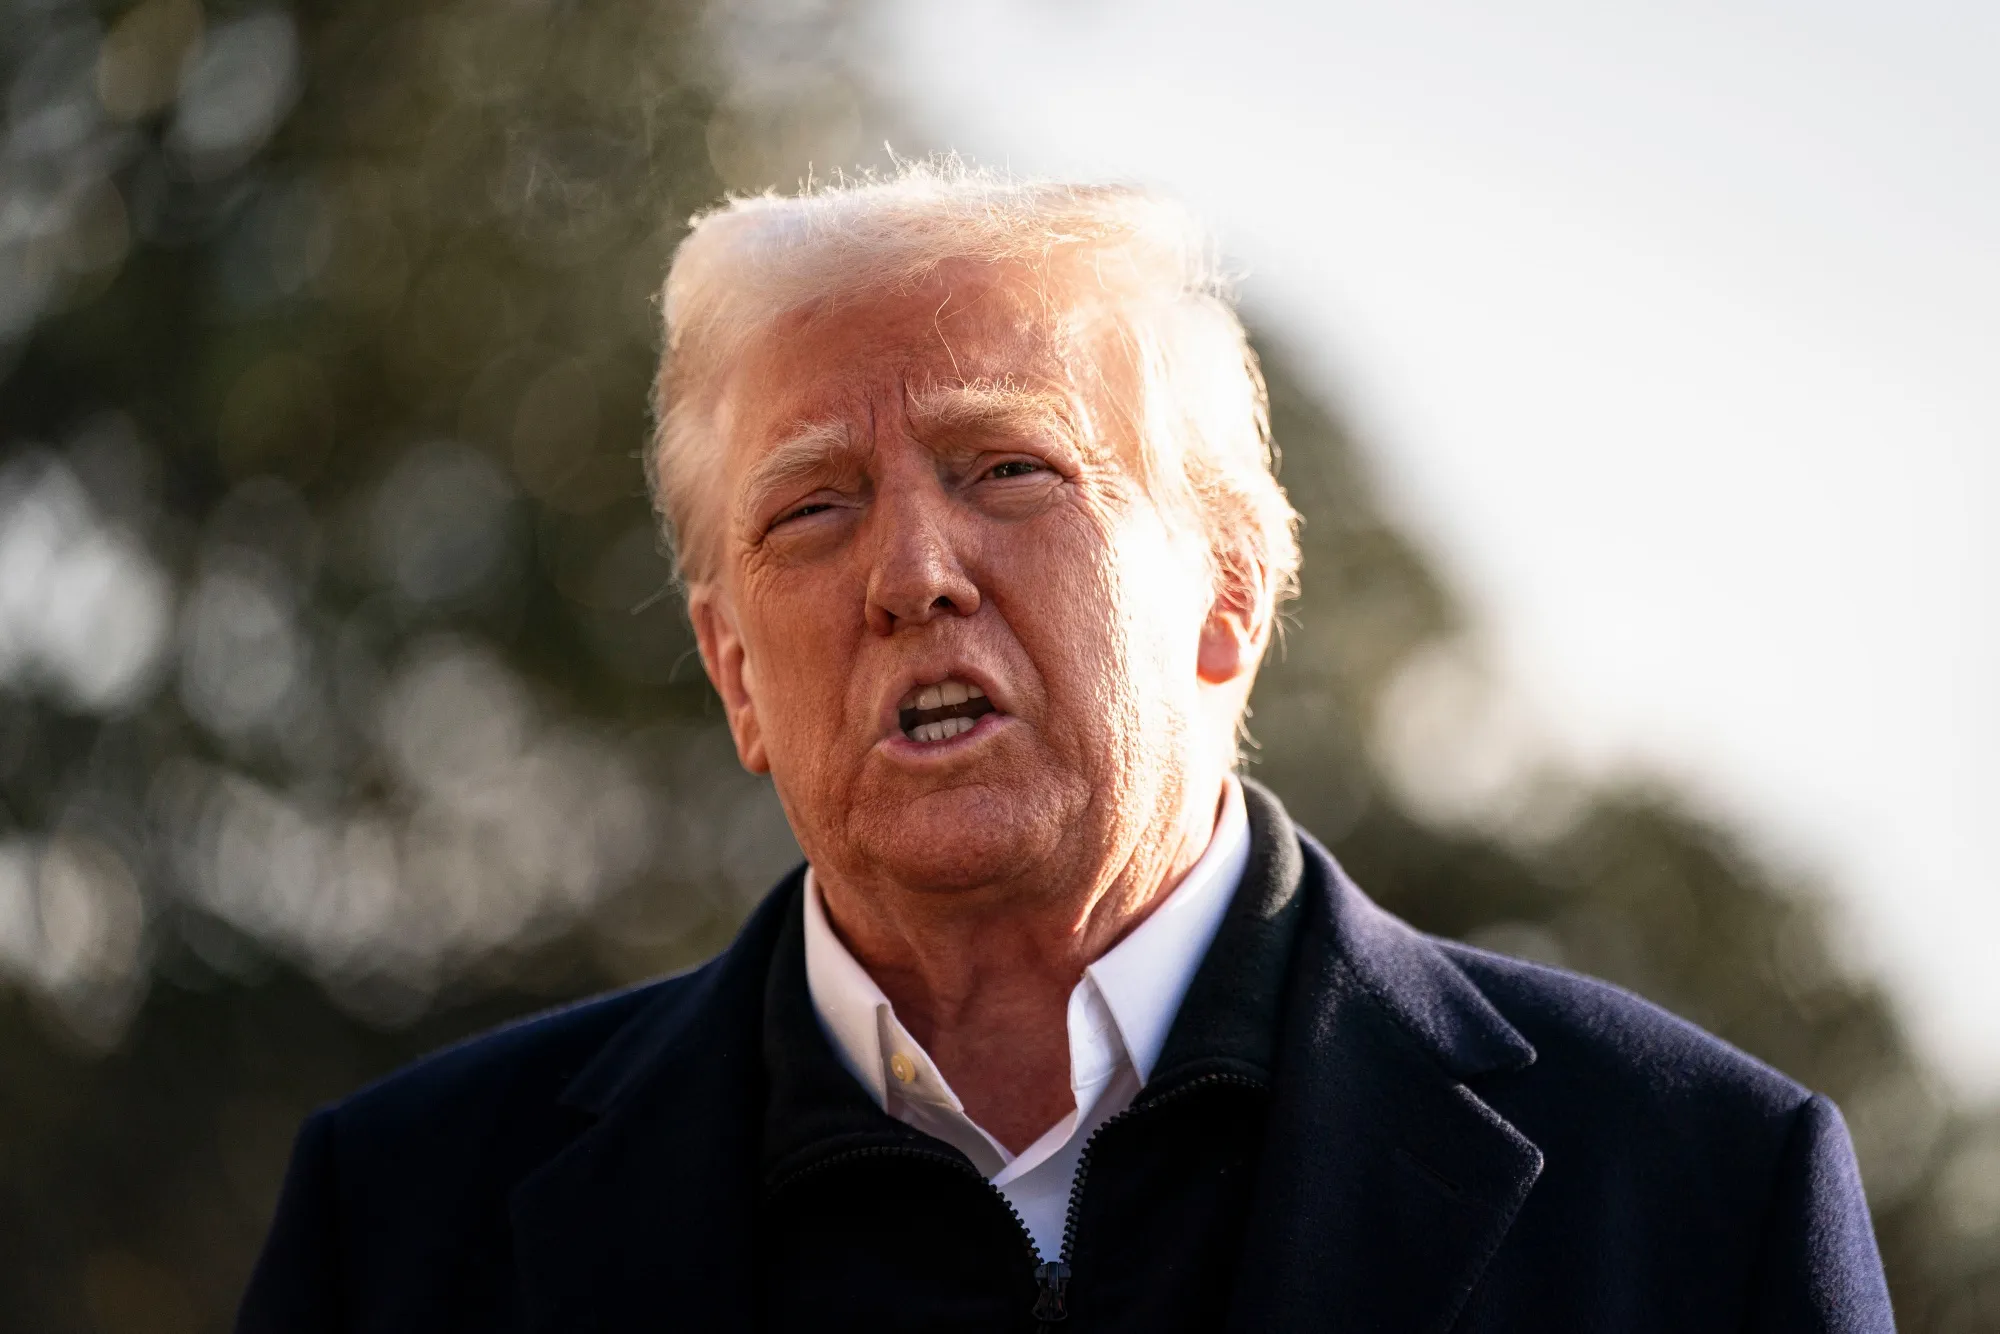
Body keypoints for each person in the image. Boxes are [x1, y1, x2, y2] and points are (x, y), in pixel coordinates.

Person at [238, 166, 1893, 1333]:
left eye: (1008, 468)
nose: (909, 574)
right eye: (814, 506)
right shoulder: (401, 1224)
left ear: (1230, 596)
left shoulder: (1693, 1193)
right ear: (734, 670)